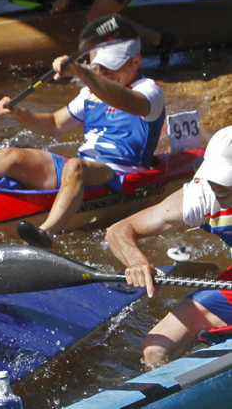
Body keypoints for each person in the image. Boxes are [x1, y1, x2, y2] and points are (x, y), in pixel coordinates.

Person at [0, 29, 165, 248]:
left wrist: (81, 72)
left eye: (111, 67)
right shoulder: (90, 92)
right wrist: (19, 112)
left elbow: (126, 101)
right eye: (99, 67)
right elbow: (55, 124)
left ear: (136, 62)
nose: (103, 73)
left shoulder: (150, 92)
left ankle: (44, 233)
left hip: (121, 173)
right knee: (8, 156)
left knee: (76, 166)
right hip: (84, 168)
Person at [105, 126, 232, 368]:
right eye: (213, 176)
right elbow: (119, 230)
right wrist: (136, 261)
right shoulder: (204, 195)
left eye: (224, 178)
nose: (215, 185)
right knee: (155, 349)